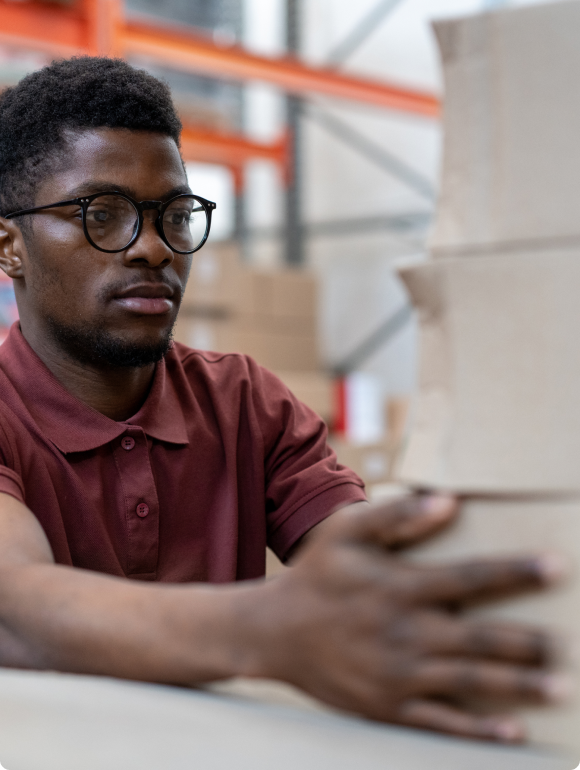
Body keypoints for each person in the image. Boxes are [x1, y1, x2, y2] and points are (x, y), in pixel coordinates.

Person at [0, 56, 567, 744]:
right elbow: (15, 606)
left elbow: (368, 564)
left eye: (176, 215)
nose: (153, 248)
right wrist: (271, 630)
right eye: (103, 213)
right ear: (10, 245)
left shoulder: (246, 402)